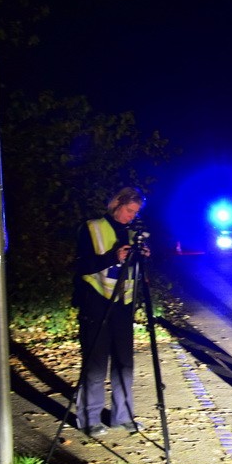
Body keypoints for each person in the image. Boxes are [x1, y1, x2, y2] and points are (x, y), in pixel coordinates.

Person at [72, 186, 150, 437]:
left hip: (123, 306)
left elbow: (132, 272)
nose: (131, 216)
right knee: (95, 365)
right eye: (128, 211)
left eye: (135, 212)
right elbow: (81, 265)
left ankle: (122, 416)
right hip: (95, 303)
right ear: (116, 204)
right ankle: (89, 418)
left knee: (124, 364)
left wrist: (142, 256)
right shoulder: (91, 228)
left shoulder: (132, 232)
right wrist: (112, 256)